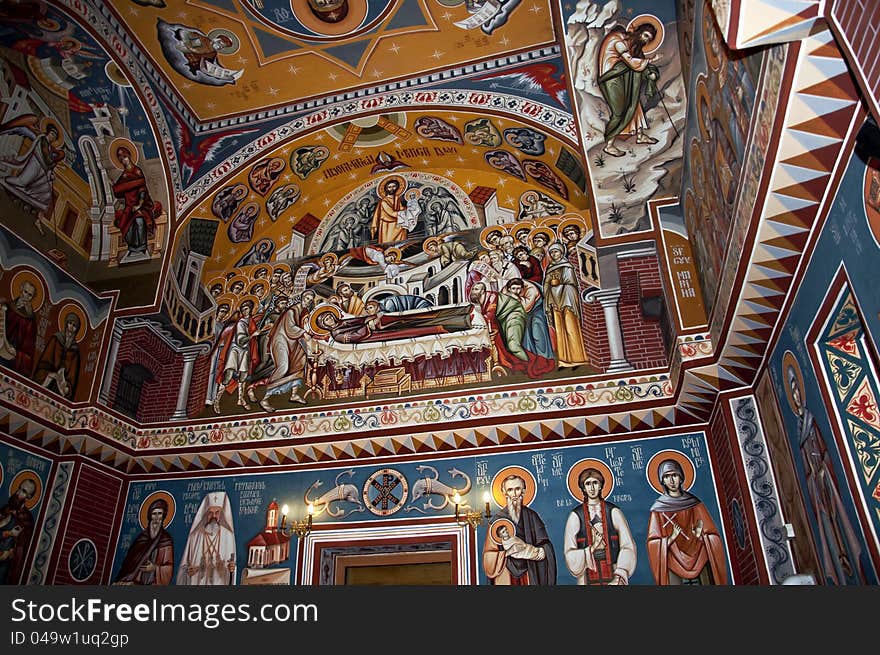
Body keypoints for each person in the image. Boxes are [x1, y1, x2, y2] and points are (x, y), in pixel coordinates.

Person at [786, 364, 865, 584]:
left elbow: (824, 453)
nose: (795, 395)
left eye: (796, 390)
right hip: (817, 491)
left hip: (827, 486)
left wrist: (821, 471)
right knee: (828, 533)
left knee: (842, 528)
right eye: (791, 392)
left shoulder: (810, 421)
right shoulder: (799, 426)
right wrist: (814, 475)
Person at [646, 459, 727, 585]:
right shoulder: (658, 509)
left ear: (681, 477)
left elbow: (713, 536)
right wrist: (671, 538)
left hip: (700, 557)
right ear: (662, 480)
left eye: (674, 475)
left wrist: (700, 536)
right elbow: (653, 542)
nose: (671, 481)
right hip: (673, 561)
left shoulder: (695, 504)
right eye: (667, 476)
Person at [597, 22, 661, 157]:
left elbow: (639, 63)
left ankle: (640, 134)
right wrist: (650, 61)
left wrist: (651, 74)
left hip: (622, 76)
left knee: (634, 102)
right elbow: (632, 62)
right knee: (619, 112)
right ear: (637, 31)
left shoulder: (633, 47)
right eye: (645, 35)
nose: (645, 40)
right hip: (611, 78)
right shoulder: (618, 40)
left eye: (648, 39)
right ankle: (609, 144)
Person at [563, 467, 636, 585]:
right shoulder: (575, 516)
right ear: (583, 488)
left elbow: (627, 545)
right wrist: (591, 548)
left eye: (595, 483)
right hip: (587, 571)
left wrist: (620, 574)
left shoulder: (613, 512)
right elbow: (569, 552)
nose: (592, 488)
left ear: (601, 485)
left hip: (614, 569)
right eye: (588, 484)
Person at [482, 474, 555, 585]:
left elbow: (545, 545)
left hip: (530, 572)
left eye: (517, 489)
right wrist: (506, 553)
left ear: (524, 491)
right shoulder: (497, 521)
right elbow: (489, 555)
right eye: (510, 490)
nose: (514, 494)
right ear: (505, 493)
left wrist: (542, 551)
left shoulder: (532, 516)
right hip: (506, 572)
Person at [0, 117, 65, 234]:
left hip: (41, 172)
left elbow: (49, 160)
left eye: (54, 137)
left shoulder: (49, 147)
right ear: (48, 133)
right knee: (21, 182)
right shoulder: (41, 140)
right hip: (34, 165)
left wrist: (51, 171)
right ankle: (3, 180)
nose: (52, 138)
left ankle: (38, 220)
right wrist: (52, 163)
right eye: (52, 135)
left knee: (46, 193)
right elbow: (46, 158)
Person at [544, 242, 589, 367]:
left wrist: (557, 286)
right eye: (551, 252)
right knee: (560, 330)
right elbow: (546, 286)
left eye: (556, 251)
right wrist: (551, 289)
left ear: (561, 252)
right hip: (555, 303)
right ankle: (564, 360)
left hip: (567, 302)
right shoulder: (550, 268)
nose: (554, 254)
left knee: (571, 328)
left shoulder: (567, 267)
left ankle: (578, 358)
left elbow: (571, 285)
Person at [112, 145, 162, 258]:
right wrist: (115, 187)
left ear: (129, 156)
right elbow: (118, 192)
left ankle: (142, 247)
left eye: (124, 157)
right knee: (124, 225)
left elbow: (142, 188)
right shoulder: (124, 175)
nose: (123, 160)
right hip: (129, 206)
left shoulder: (137, 171)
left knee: (139, 221)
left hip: (143, 205)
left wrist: (139, 204)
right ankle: (132, 247)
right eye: (121, 159)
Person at [176, 491, 236, 585]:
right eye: (210, 513)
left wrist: (231, 569)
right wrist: (189, 571)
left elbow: (232, 569)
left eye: (217, 513)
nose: (214, 516)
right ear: (205, 514)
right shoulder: (195, 536)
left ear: (222, 514)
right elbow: (184, 568)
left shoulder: (228, 535)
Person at [113, 498, 174, 585]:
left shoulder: (166, 540)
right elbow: (129, 563)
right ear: (150, 516)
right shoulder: (141, 539)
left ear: (163, 516)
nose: (156, 517)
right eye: (154, 514)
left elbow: (169, 567)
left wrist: (154, 568)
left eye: (159, 514)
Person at [32, 310, 81, 399]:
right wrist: (51, 374)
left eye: (74, 326)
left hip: (61, 383)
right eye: (70, 323)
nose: (71, 327)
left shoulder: (75, 350)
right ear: (66, 324)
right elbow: (45, 361)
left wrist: (66, 385)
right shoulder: (56, 339)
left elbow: (72, 376)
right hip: (49, 375)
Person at [0, 477, 36, 585]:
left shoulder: (26, 519)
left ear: (28, 497)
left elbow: (21, 548)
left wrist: (11, 553)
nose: (18, 492)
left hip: (4, 564)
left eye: (24, 491)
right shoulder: (5, 509)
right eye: (19, 488)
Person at [2, 280, 37, 376]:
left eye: (30, 295)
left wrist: (17, 353)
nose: (26, 296)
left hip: (13, 357)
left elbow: (29, 346)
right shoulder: (8, 306)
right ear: (21, 289)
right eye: (25, 292)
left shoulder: (30, 320)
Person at [371, 177, 408, 244]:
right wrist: (403, 213)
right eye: (389, 187)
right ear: (386, 189)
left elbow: (401, 208)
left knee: (401, 242)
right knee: (389, 243)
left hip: (399, 222)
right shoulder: (384, 201)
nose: (392, 189)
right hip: (388, 225)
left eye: (394, 186)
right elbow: (391, 212)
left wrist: (406, 209)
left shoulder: (397, 198)